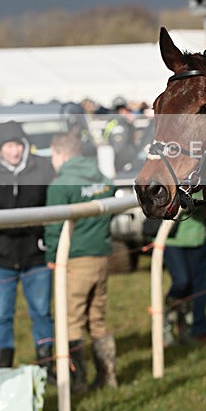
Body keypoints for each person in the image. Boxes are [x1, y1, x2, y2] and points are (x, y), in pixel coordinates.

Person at [44, 132, 117, 393]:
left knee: (70, 320)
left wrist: (52, 257)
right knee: (97, 319)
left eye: (52, 155)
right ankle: (108, 376)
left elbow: (53, 226)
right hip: (101, 257)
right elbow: (112, 191)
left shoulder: (60, 184)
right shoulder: (102, 178)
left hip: (73, 259)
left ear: (61, 154)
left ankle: (78, 381)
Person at [0, 121, 56, 382]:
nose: (14, 151)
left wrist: (46, 240)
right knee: (0, 314)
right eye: (9, 146)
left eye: (18, 145)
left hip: (35, 254)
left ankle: (46, 365)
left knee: (41, 311)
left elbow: (53, 204)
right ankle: (3, 368)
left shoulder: (42, 168)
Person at [163, 206, 206, 346]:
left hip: (200, 236)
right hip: (171, 237)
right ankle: (165, 324)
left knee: (196, 288)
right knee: (181, 282)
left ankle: (189, 329)